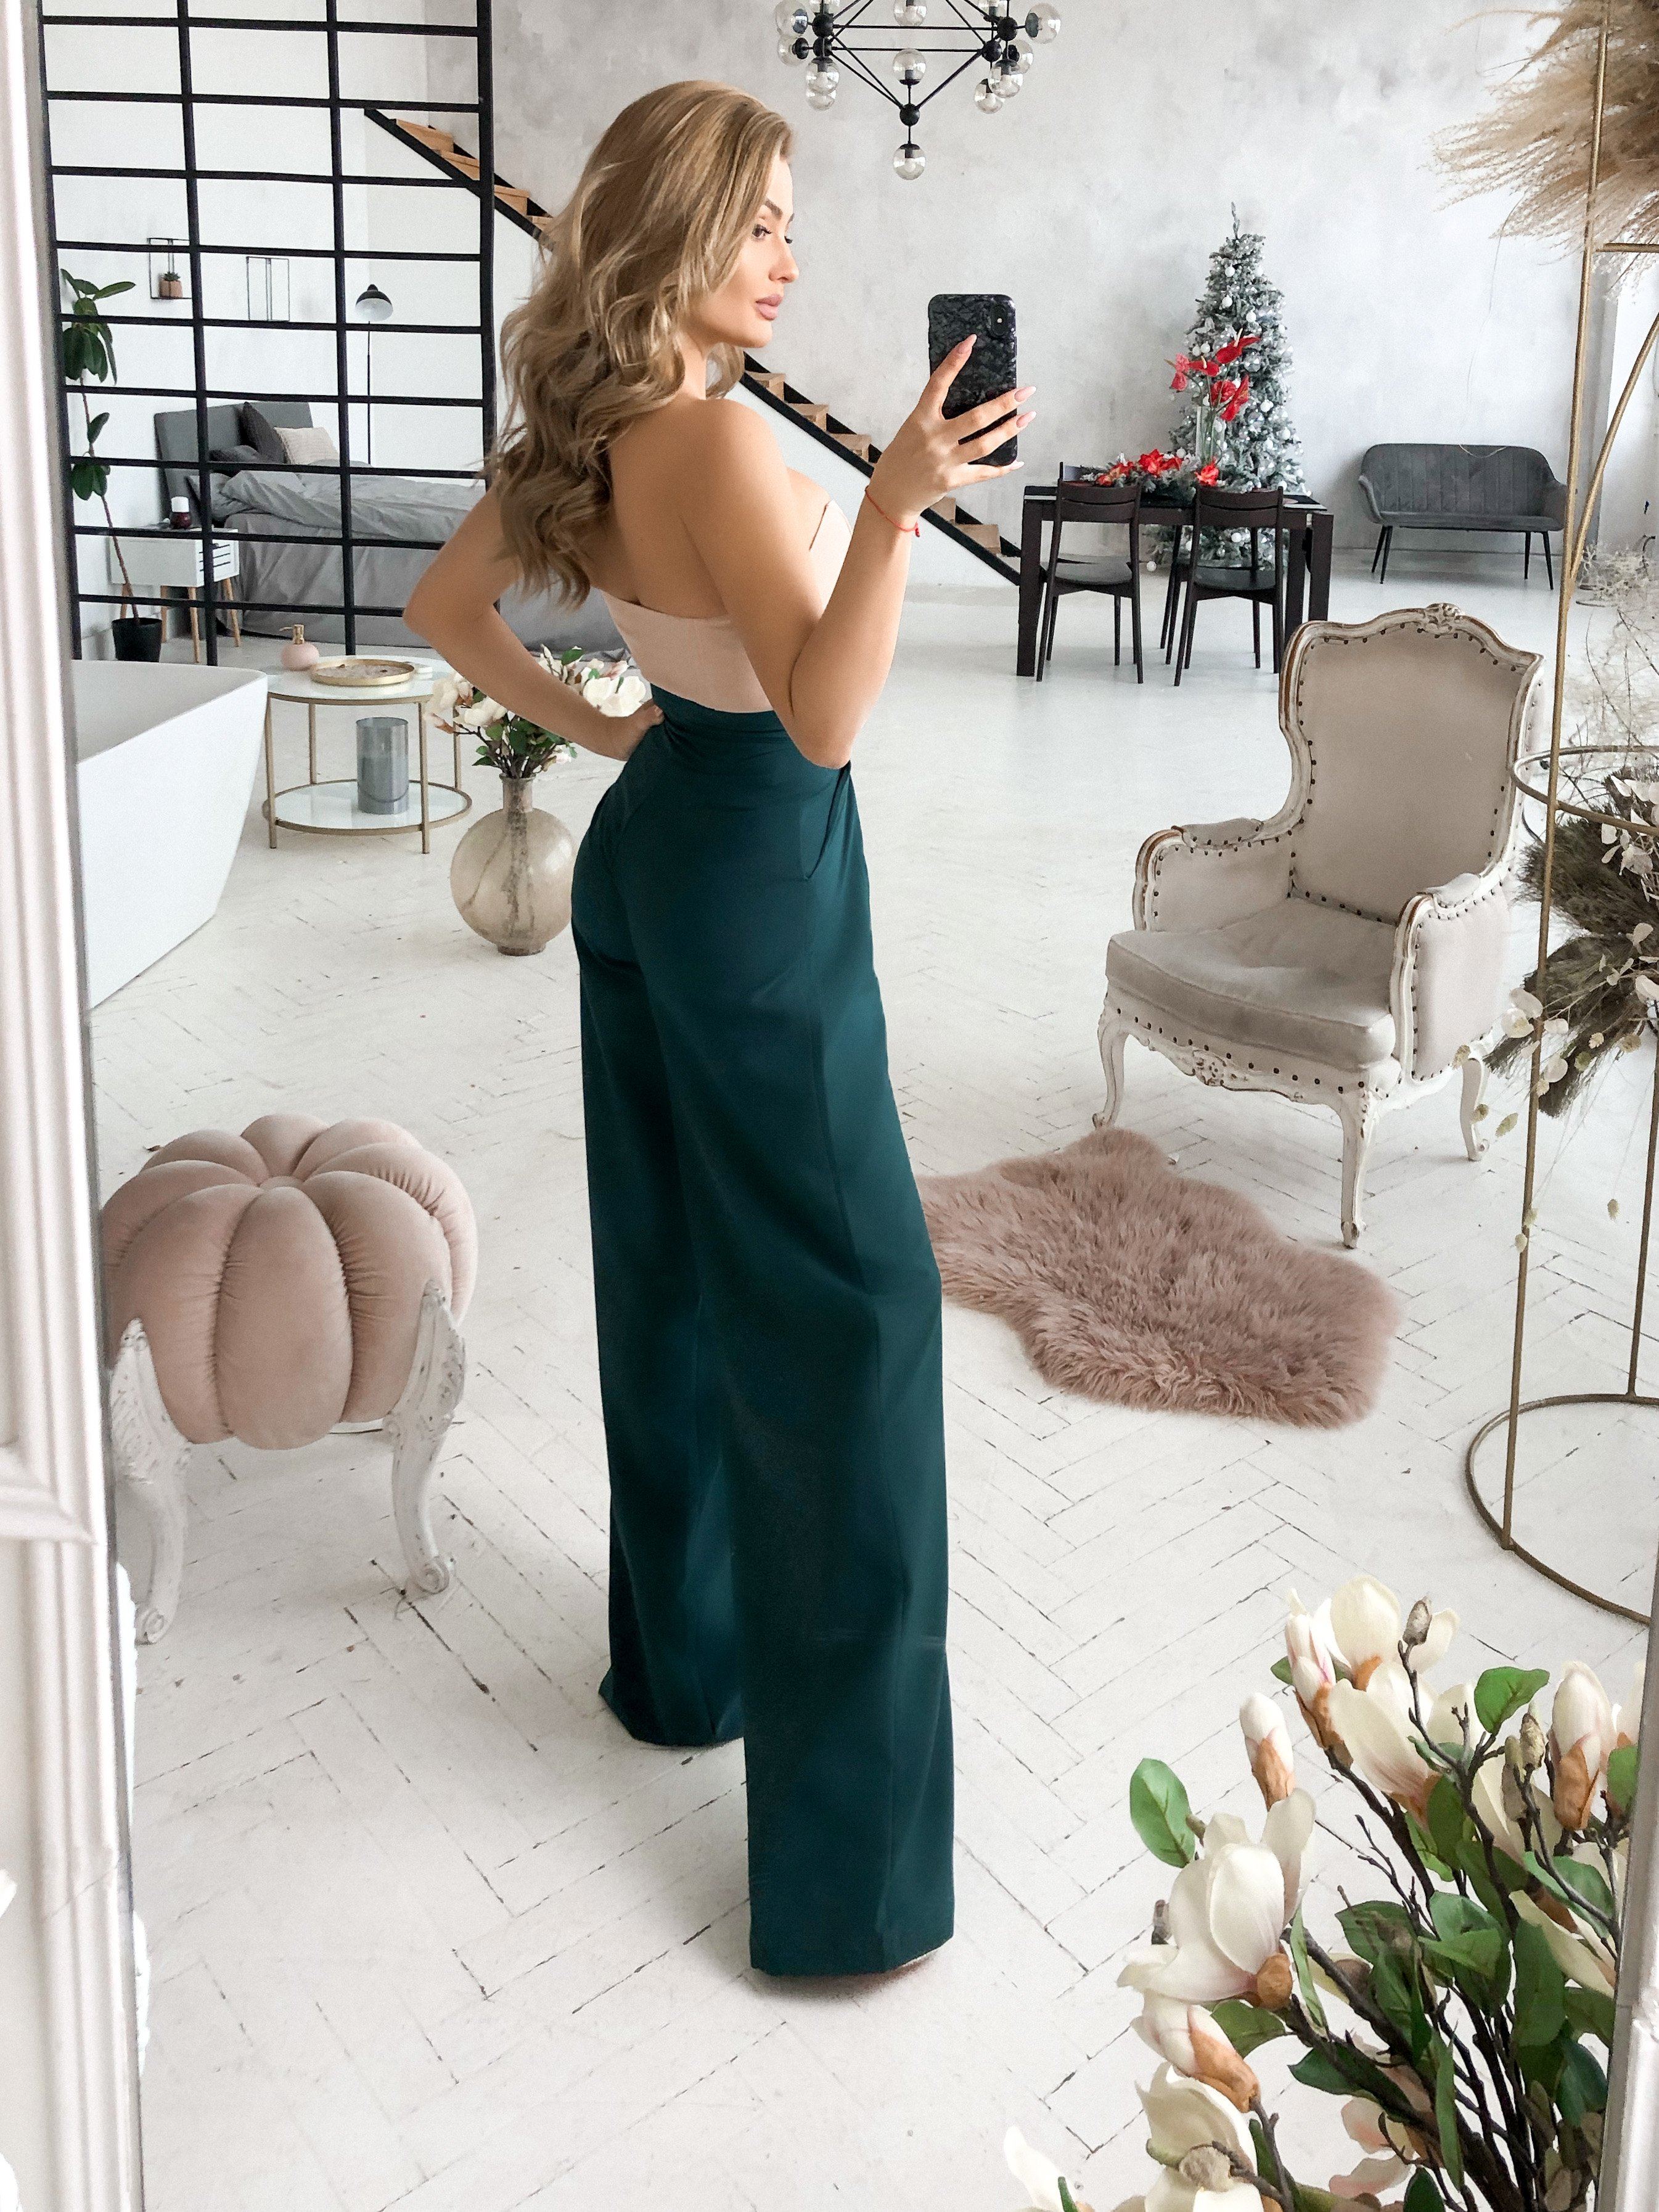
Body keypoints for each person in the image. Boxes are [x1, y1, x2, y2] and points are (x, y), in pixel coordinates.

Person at [406, 78, 1034, 1979]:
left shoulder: (593, 430)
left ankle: (684, 1669)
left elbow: (448, 608)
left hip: (657, 845)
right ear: (671, 230)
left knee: (673, 1270)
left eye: (787, 224)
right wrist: (897, 511)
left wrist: (604, 727)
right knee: (857, 1316)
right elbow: (825, 717)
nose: (785, 257)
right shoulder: (714, 443)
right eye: (757, 221)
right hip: (758, 869)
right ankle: (850, 1884)